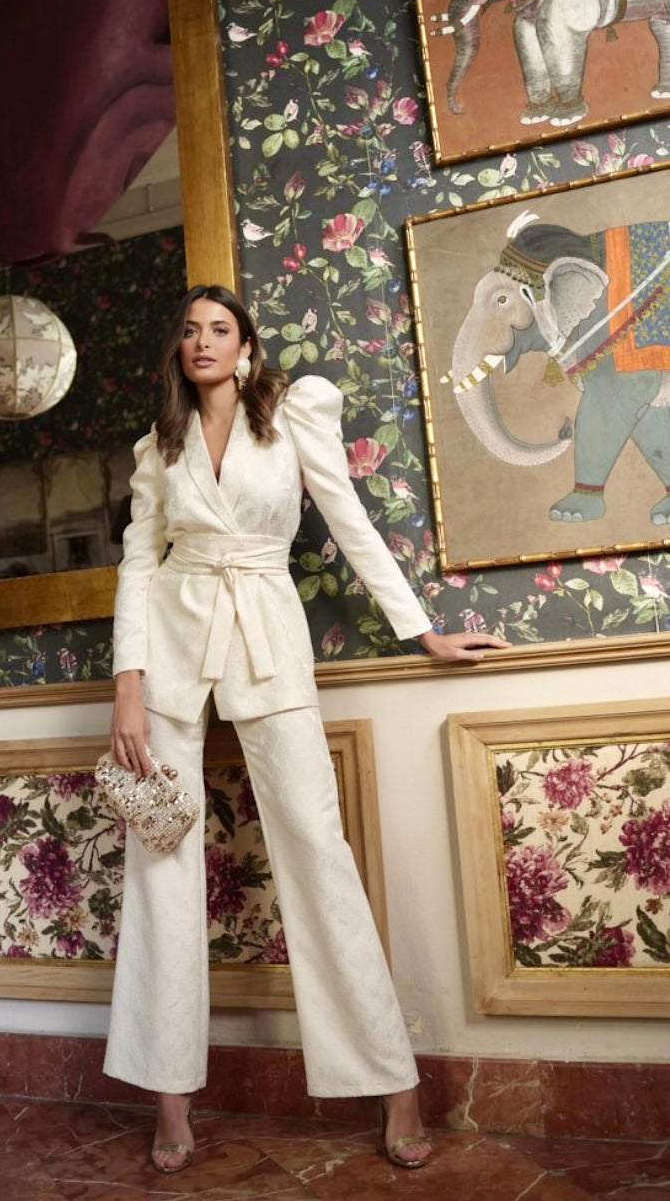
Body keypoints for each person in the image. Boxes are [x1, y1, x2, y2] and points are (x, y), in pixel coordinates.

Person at [105, 284, 506, 1174]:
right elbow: (138, 560)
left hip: (269, 642)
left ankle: (391, 1081)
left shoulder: (291, 413)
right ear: (177, 350)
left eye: (219, 329)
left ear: (245, 346)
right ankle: (168, 1096)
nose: (202, 341)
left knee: (318, 850)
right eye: (189, 330)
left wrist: (422, 631)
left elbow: (348, 520)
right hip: (168, 657)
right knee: (160, 859)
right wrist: (127, 686)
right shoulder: (158, 444)